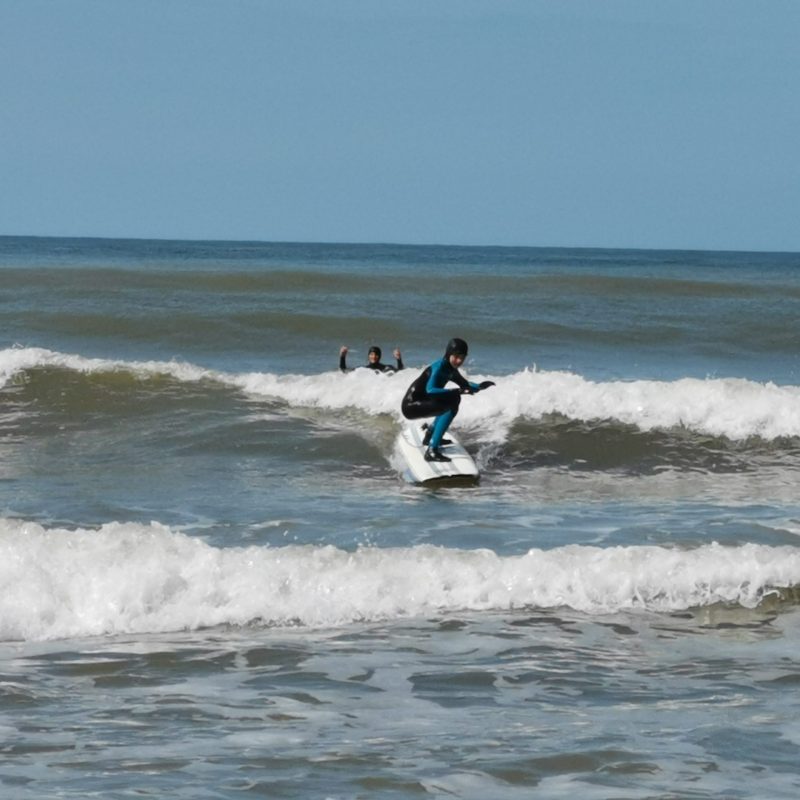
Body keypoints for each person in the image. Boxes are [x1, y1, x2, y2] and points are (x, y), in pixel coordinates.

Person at [401, 337, 495, 462]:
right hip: (411, 406)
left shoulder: (451, 369)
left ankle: (430, 436)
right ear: (448, 353)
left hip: (423, 402)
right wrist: (457, 391)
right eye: (456, 356)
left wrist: (479, 386)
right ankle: (432, 451)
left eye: (462, 357)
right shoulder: (439, 367)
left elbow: (465, 384)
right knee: (452, 401)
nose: (459, 360)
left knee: (451, 399)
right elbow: (431, 390)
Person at [339, 345, 404, 373]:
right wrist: (342, 356)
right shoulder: (363, 370)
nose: (374, 356)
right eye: (372, 354)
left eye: (376, 354)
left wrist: (399, 359)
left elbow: (400, 372)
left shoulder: (386, 368)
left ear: (380, 356)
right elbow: (344, 370)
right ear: (368, 356)